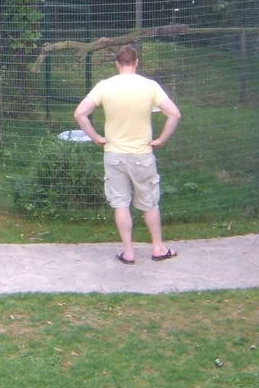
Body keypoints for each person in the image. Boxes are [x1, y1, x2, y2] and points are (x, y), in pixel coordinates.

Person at [74, 44, 182, 266]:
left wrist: (96, 137)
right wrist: (161, 140)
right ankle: (158, 248)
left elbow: (80, 113)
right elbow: (174, 114)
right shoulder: (150, 86)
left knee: (121, 203)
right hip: (142, 154)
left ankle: (129, 252)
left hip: (114, 154)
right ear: (136, 62)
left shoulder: (105, 86)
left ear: (117, 63)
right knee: (150, 203)